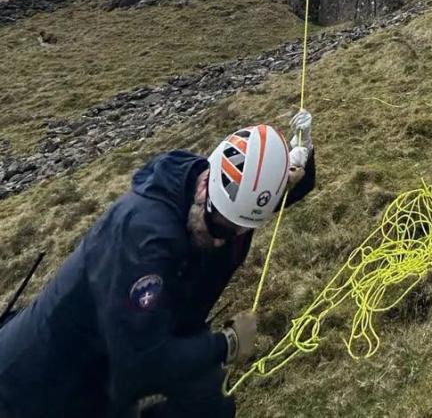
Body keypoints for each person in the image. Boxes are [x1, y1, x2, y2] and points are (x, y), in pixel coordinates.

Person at [0, 110, 315, 418]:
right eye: (221, 229)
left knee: (210, 404)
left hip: (120, 358)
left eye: (239, 231)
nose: (223, 241)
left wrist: (302, 156)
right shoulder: (144, 240)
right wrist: (226, 344)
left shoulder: (228, 205)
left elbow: (263, 199)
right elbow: (140, 363)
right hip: (39, 386)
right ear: (205, 187)